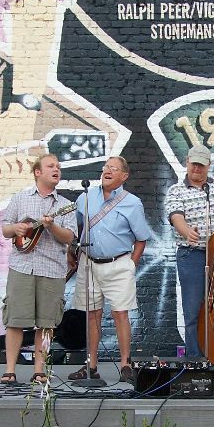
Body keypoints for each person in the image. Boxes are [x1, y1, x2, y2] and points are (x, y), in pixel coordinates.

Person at [67, 156, 151, 384]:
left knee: (120, 314)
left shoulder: (132, 202)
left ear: (124, 176)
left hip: (119, 263)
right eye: (106, 168)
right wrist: (72, 252)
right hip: (89, 263)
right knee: (92, 315)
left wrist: (131, 264)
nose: (107, 171)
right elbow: (76, 228)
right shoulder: (85, 197)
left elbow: (142, 238)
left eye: (113, 168)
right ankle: (91, 366)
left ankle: (125, 364)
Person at [164, 145, 214, 374]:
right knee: (193, 309)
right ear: (187, 163)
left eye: (201, 164)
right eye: (193, 164)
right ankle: (195, 362)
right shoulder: (176, 190)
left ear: (209, 165)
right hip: (192, 255)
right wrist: (186, 230)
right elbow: (175, 216)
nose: (196, 168)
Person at [0, 154, 77, 384]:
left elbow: (69, 238)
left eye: (58, 167)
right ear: (37, 172)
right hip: (22, 266)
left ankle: (39, 371)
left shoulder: (65, 205)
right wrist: (17, 228)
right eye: (51, 166)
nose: (56, 169)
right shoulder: (21, 198)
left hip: (52, 269)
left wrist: (51, 226)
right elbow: (5, 229)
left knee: (46, 322)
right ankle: (10, 370)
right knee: (14, 319)